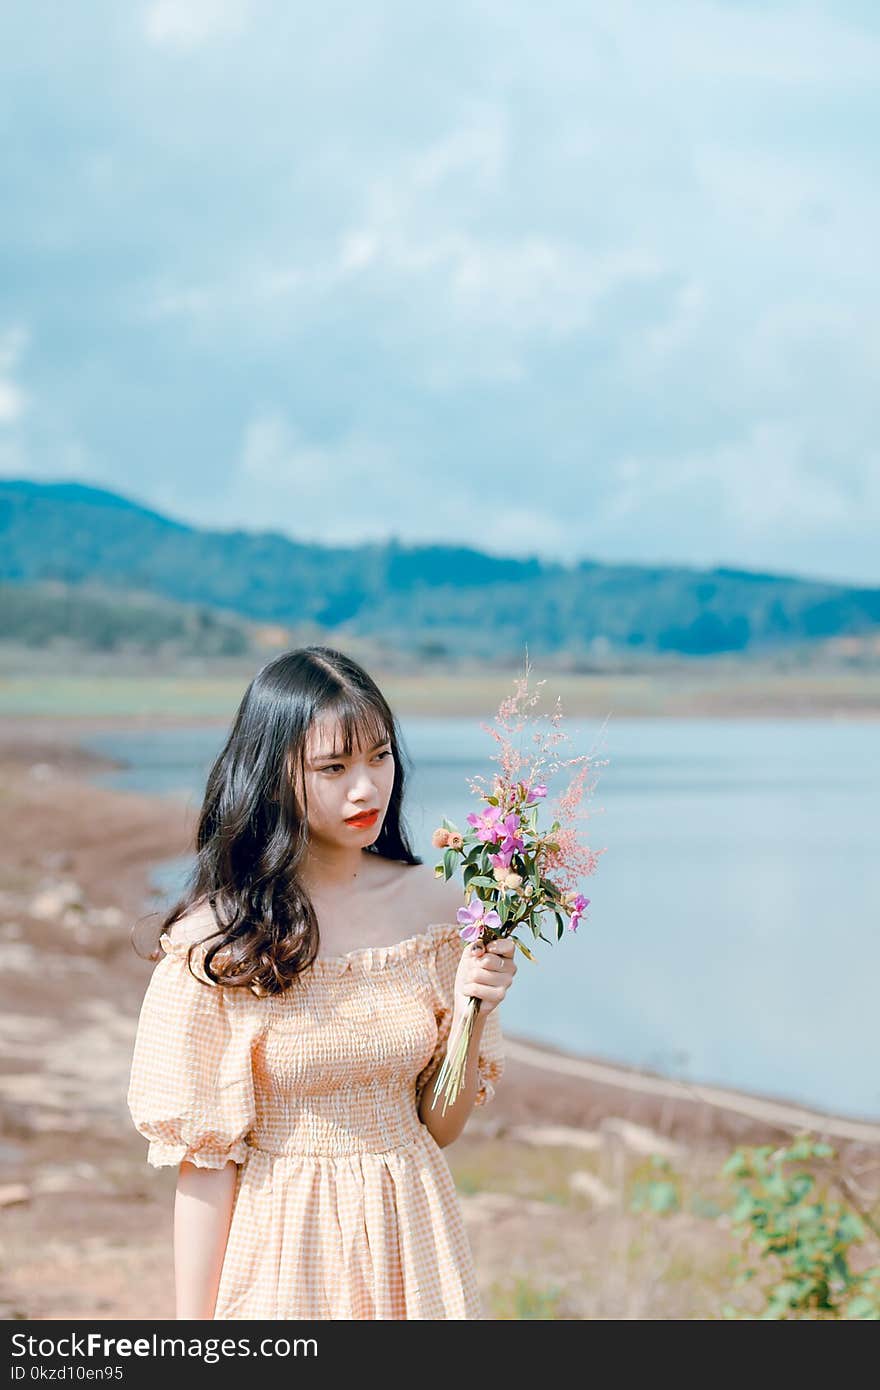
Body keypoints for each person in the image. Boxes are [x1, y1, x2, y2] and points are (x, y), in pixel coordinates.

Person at [126, 644, 516, 1320]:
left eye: (379, 756)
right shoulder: (217, 941)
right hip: (284, 1252)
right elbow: (205, 1167)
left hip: (414, 1240)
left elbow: (439, 1126)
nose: (365, 788)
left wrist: (473, 1009)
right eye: (333, 767)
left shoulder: (438, 911)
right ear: (273, 775)